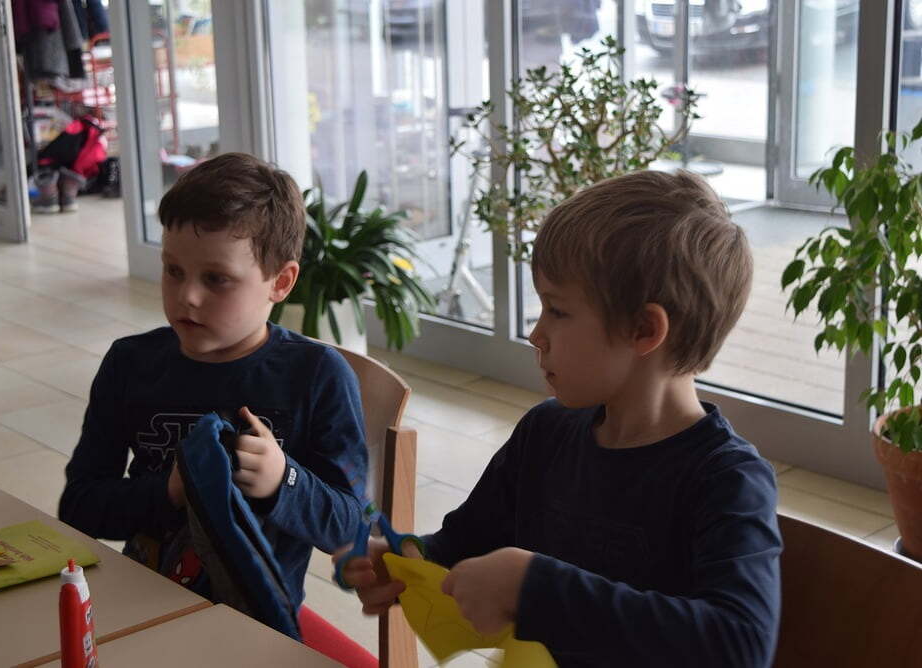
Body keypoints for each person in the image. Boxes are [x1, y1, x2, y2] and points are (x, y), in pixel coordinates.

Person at [337, 169, 781, 667]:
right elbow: (463, 545)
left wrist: (535, 587)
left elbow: (740, 646)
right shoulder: (545, 434)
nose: (536, 334)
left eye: (558, 311)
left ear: (643, 329)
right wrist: (407, 561)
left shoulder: (727, 480)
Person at [59, 153, 367, 611]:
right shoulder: (129, 363)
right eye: (173, 271)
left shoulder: (317, 376)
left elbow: (350, 526)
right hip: (140, 603)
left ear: (280, 282)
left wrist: (282, 479)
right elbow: (79, 508)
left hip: (252, 622)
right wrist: (169, 491)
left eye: (217, 279)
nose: (187, 296)